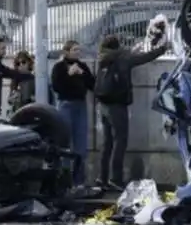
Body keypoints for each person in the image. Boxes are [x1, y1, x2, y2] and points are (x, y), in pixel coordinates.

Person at [95, 34, 169, 191]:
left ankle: (102, 178)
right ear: (118, 45)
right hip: (117, 106)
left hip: (103, 104)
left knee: (106, 143)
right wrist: (162, 49)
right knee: (120, 141)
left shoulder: (102, 58)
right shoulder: (122, 58)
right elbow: (144, 58)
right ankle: (116, 178)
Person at [51, 40, 94, 186]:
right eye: (75, 50)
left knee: (80, 144)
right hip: (65, 105)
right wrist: (69, 74)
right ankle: (65, 179)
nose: (77, 53)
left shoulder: (83, 66)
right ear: (67, 52)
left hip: (80, 105)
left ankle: (79, 180)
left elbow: (92, 84)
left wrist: (81, 74)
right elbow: (57, 86)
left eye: (78, 50)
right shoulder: (59, 67)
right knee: (65, 143)